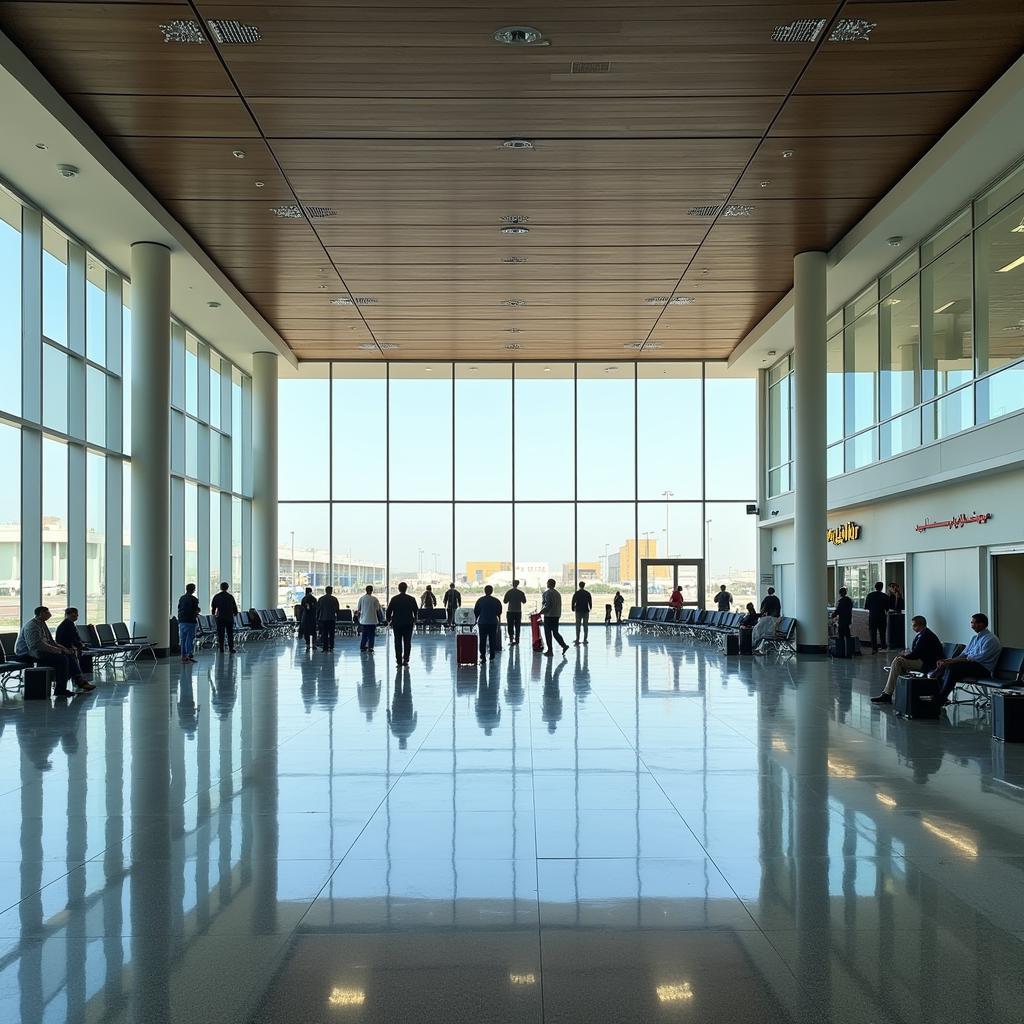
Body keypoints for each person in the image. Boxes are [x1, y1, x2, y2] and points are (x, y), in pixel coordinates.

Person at [15, 606, 94, 695]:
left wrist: (63, 649)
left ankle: (78, 680)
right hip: (27, 654)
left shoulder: (41, 623)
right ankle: (64, 687)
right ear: (41, 613)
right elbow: (36, 645)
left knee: (69, 655)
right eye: (47, 612)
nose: (50, 615)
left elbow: (51, 641)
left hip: (38, 651)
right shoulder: (32, 626)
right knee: (62, 659)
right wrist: (57, 650)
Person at [931, 612, 1002, 707]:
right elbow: (964, 654)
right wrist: (947, 661)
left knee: (953, 668)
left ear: (982, 624)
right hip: (971, 666)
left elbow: (975, 659)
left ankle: (940, 698)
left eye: (974, 623)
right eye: (972, 623)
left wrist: (951, 661)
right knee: (945, 666)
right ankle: (938, 695)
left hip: (983, 669)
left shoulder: (991, 639)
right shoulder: (975, 638)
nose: (972, 626)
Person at [872, 615, 944, 703]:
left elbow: (916, 654)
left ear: (920, 625)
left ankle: (887, 694)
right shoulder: (923, 634)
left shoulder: (926, 636)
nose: (912, 627)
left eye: (914, 625)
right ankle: (897, 694)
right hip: (923, 661)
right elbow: (917, 653)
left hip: (926, 664)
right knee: (898, 664)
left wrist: (903, 656)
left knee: (898, 661)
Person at [55, 608, 93, 678]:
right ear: (67, 615)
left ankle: (81, 677)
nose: (76, 616)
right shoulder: (68, 625)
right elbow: (72, 638)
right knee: (86, 656)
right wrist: (80, 645)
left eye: (76, 615)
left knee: (85, 654)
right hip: (67, 647)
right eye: (74, 615)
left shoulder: (68, 624)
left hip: (68, 646)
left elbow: (74, 638)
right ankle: (82, 677)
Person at [386, 581, 418, 666]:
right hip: (408, 623)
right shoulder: (411, 599)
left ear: (398, 589)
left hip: (397, 623)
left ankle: (399, 660)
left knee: (397, 641)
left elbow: (388, 611)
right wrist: (414, 620)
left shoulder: (394, 599)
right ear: (406, 588)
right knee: (407, 642)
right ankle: (406, 659)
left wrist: (389, 620)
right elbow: (416, 612)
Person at [474, 584, 503, 662]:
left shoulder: (480, 600)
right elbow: (499, 611)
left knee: (482, 640)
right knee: (492, 639)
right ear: (492, 591)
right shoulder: (496, 600)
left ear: (484, 591)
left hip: (482, 623)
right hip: (492, 622)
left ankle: (482, 656)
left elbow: (476, 611)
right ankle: (492, 655)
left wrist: (475, 620)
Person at [541, 579, 569, 657]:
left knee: (548, 633)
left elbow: (547, 605)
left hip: (549, 616)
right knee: (555, 633)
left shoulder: (547, 593)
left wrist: (541, 612)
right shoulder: (558, 594)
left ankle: (550, 651)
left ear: (549, 584)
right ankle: (564, 646)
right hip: (556, 615)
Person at [210, 582, 239, 653]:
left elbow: (213, 606)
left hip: (220, 618)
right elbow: (234, 607)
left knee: (220, 633)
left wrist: (213, 614)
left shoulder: (217, 596)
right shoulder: (230, 596)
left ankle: (221, 648)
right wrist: (235, 613)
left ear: (220, 588)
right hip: (229, 617)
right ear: (227, 588)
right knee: (230, 633)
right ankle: (231, 648)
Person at [177, 583, 200, 663]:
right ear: (193, 590)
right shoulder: (194, 599)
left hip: (182, 621)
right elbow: (196, 609)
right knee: (189, 639)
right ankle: (188, 655)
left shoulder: (182, 598)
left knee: (183, 639)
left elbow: (179, 608)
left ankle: (183, 656)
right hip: (190, 621)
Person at [356, 584, 383, 653]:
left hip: (364, 620)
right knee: (371, 635)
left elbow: (359, 609)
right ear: (372, 590)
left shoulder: (362, 598)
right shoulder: (374, 599)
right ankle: (370, 647)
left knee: (364, 635)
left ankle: (362, 647)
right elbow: (377, 609)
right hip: (373, 620)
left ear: (366, 590)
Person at [864, 581, 890, 653]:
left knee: (873, 632)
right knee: (882, 632)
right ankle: (883, 646)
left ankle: (874, 648)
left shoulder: (870, 595)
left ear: (875, 587)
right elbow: (887, 608)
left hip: (872, 616)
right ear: (882, 587)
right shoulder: (885, 596)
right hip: (882, 616)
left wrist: (872, 609)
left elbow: (866, 607)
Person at [317, 585, 340, 652]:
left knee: (324, 633)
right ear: (331, 591)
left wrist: (317, 618)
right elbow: (337, 609)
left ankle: (325, 648)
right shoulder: (334, 599)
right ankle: (331, 646)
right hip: (332, 618)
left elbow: (318, 609)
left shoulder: (321, 599)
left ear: (325, 591)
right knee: (332, 633)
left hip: (323, 618)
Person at [503, 579, 527, 645]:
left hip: (510, 611)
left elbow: (505, 601)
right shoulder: (521, 593)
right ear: (518, 584)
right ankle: (517, 640)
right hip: (518, 611)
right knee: (517, 626)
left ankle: (511, 639)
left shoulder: (509, 592)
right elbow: (524, 601)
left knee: (510, 625)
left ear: (512, 584)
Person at [571, 581, 592, 646]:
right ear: (584, 585)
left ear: (579, 585)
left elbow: (573, 601)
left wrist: (572, 608)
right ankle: (585, 639)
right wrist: (590, 608)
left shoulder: (577, 593)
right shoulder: (587, 593)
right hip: (586, 611)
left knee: (578, 625)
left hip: (578, 611)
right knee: (585, 626)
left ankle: (577, 639)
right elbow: (590, 602)